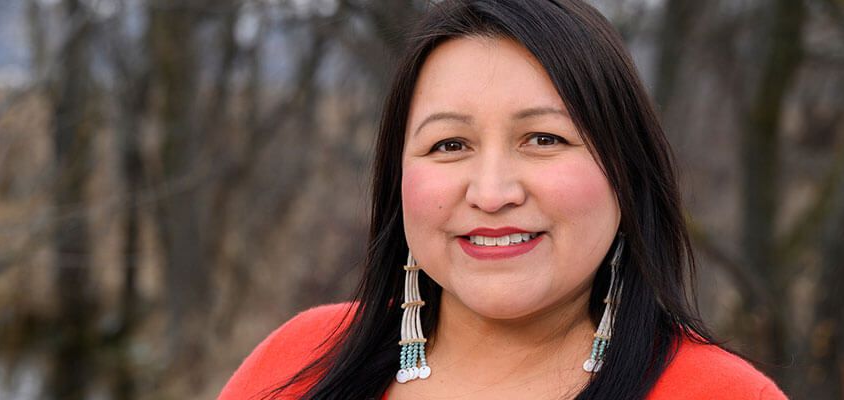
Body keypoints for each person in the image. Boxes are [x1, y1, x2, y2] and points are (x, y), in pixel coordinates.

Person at [221, 0, 787, 398]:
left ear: (625, 171)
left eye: (544, 139)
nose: (492, 194)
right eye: (449, 144)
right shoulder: (301, 361)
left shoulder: (724, 393)